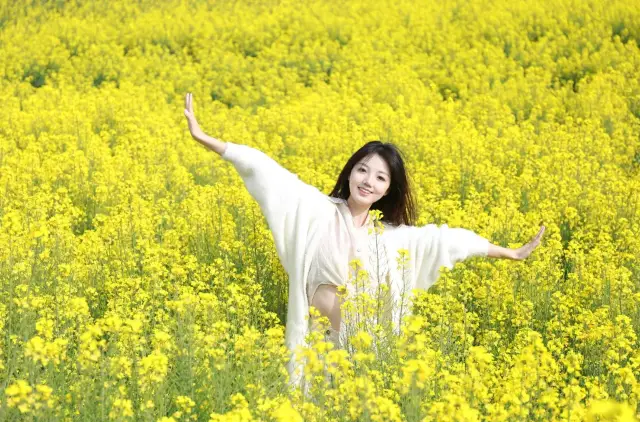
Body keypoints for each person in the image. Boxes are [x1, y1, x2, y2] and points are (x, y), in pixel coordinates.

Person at [183, 93, 546, 386]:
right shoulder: (318, 210)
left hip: (360, 351)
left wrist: (508, 253)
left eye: (380, 178)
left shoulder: (390, 238)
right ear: (350, 172)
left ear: (389, 190)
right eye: (362, 170)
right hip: (313, 343)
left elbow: (445, 240)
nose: (368, 181)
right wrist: (210, 140)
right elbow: (269, 173)